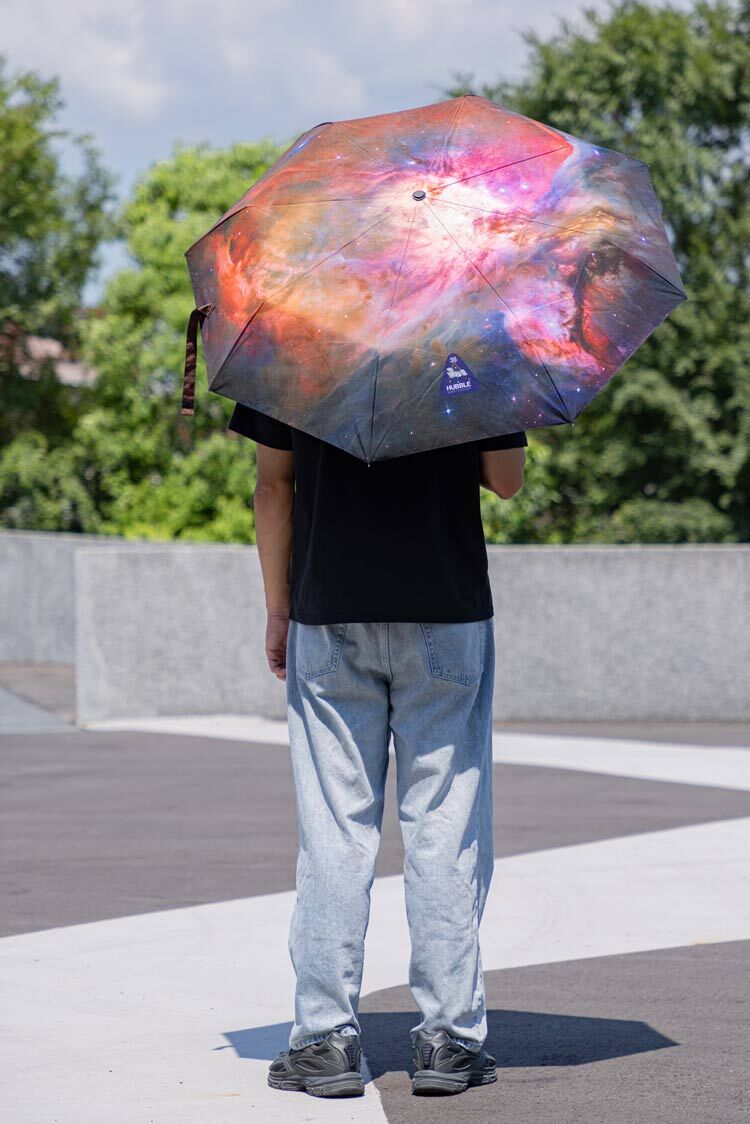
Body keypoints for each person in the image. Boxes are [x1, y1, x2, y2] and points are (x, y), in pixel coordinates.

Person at [227, 402, 526, 1098]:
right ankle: (449, 1039)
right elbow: (507, 481)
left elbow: (273, 485)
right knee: (444, 827)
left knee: (335, 830)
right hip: (446, 608)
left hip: (328, 609)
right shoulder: (471, 349)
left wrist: (278, 608)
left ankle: (324, 1040)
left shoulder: (295, 349)